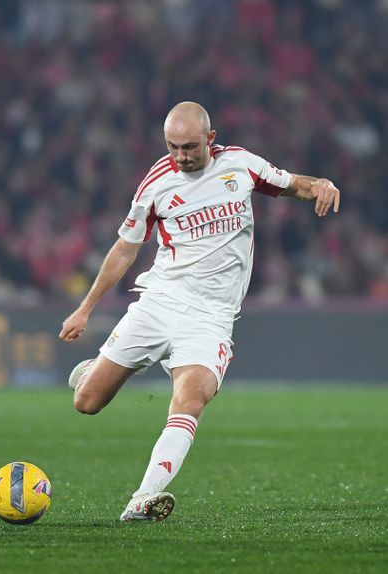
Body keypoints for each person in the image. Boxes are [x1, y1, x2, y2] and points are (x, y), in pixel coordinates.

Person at [59, 102, 340, 522]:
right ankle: (97, 369)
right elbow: (126, 247)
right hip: (160, 301)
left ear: (210, 138)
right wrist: (85, 309)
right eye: (172, 147)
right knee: (87, 402)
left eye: (190, 147)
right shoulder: (155, 183)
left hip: (210, 317)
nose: (181, 156)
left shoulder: (241, 165)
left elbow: (293, 184)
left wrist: (322, 184)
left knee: (192, 398)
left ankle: (143, 497)